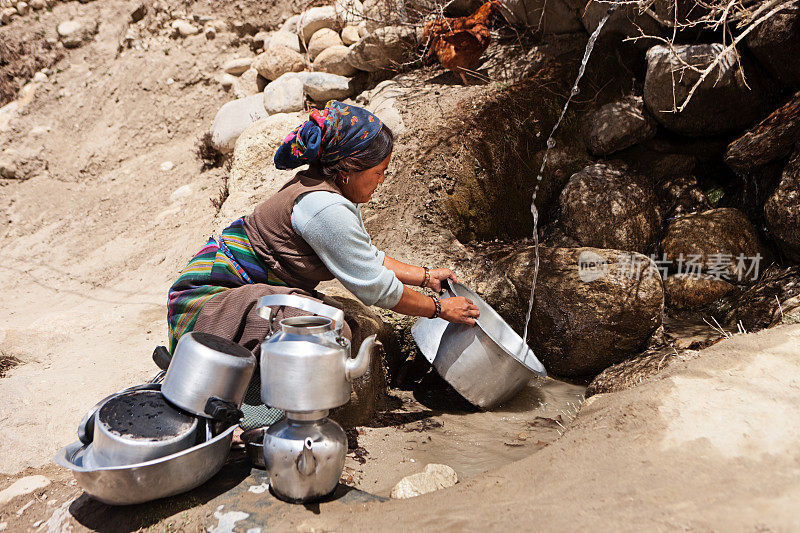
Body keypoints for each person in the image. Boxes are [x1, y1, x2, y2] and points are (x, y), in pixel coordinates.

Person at [166, 101, 479, 362]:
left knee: (338, 323)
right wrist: (439, 309)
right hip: (205, 306)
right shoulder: (323, 208)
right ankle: (252, 411)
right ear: (347, 170)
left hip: (241, 291)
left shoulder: (330, 188)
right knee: (327, 332)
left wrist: (425, 277)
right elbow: (375, 288)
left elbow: (366, 257)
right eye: (378, 173)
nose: (381, 181)